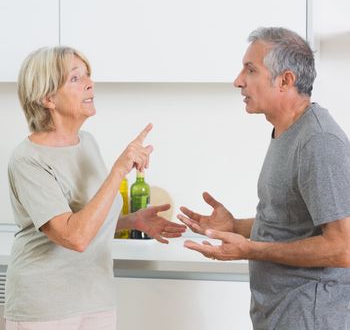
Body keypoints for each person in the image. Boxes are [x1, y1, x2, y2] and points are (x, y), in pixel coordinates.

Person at [177, 27, 350, 330]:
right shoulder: (287, 133)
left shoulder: (318, 141)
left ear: (285, 80)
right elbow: (290, 226)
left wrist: (252, 249)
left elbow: (343, 247)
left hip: (311, 318)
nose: (238, 81)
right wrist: (235, 228)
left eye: (250, 70)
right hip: (280, 315)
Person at [4, 46, 186, 330]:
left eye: (88, 74)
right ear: (47, 97)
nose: (90, 83)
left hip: (96, 299)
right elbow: (74, 237)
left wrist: (130, 221)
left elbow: (89, 220)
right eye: (75, 78)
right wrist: (118, 170)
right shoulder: (28, 159)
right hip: (45, 307)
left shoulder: (86, 143)